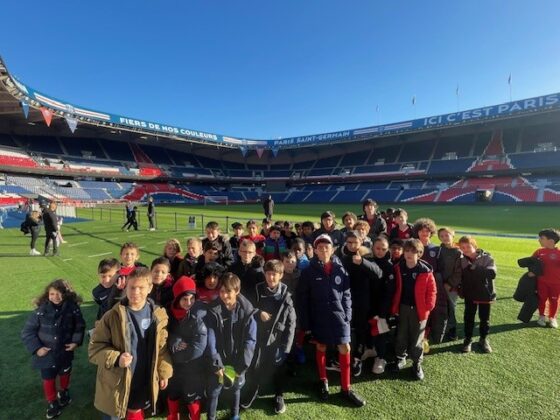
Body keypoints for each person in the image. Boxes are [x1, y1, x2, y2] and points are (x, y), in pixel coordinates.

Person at [89, 267, 173, 419]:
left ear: (150, 288)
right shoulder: (111, 316)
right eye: (132, 287)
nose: (135, 292)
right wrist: (116, 358)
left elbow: (161, 347)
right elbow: (94, 349)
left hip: (144, 379)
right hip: (117, 381)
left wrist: (164, 372)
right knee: (116, 413)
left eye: (141, 288)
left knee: (135, 411)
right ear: (126, 286)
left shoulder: (159, 315)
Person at [298, 234, 366, 406]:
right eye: (320, 247)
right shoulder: (308, 272)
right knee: (321, 346)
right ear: (315, 250)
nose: (324, 249)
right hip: (318, 316)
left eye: (327, 246)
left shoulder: (340, 268)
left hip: (340, 317)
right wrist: (305, 323)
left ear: (332, 249)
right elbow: (302, 299)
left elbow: (347, 294)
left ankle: (346, 388)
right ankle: (323, 381)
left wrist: (347, 315)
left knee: (345, 347)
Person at [21, 279, 86, 419]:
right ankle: (52, 402)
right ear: (47, 294)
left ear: (67, 294)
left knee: (65, 373)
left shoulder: (73, 308)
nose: (56, 297)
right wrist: (37, 348)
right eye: (52, 294)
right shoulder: (40, 312)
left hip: (65, 352)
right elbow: (28, 332)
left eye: (59, 293)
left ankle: (63, 392)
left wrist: (75, 341)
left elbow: (79, 326)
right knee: (48, 379)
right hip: (47, 355)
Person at [241, 260, 296, 414]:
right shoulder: (258, 289)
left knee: (278, 368)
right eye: (268, 274)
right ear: (264, 274)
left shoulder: (286, 295)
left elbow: (291, 324)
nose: (271, 278)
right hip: (258, 337)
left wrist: (285, 348)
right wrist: (259, 312)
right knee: (255, 366)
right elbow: (248, 307)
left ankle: (279, 395)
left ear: (281, 275)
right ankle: (253, 390)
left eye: (275, 274)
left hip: (277, 339)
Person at [205, 273, 257, 420]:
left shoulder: (247, 312)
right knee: (214, 390)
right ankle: (211, 417)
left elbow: (250, 341)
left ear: (237, 291)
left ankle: (234, 415)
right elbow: (210, 338)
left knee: (236, 388)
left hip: (238, 359)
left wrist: (242, 366)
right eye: (221, 291)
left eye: (228, 291)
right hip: (219, 358)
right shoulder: (213, 310)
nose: (224, 295)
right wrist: (216, 364)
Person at [335, 231, 382, 377]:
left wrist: (362, 262)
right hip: (343, 300)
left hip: (361, 300)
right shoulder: (339, 255)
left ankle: (357, 358)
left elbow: (378, 273)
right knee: (345, 328)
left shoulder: (366, 255)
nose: (352, 245)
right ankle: (342, 356)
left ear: (361, 242)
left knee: (361, 328)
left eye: (355, 242)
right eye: (349, 242)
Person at [392, 239, 437, 381]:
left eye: (413, 251)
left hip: (420, 309)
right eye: (407, 251)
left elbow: (432, 291)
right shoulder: (399, 268)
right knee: (401, 334)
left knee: (417, 337)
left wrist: (428, 306)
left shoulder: (425, 271)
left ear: (420, 254)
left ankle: (417, 363)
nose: (409, 254)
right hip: (403, 307)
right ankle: (400, 358)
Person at [166, 276, 208, 420]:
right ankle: (173, 415)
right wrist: (174, 342)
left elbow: (198, 347)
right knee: (173, 391)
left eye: (192, 299)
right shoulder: (167, 313)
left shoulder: (199, 315)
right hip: (172, 364)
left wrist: (177, 355)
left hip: (191, 364)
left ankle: (195, 417)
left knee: (192, 393)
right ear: (177, 299)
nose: (188, 303)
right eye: (184, 299)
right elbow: (163, 334)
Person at [459, 236, 497, 353]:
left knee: (484, 318)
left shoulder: (487, 257)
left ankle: (483, 339)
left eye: (468, 246)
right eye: (463, 247)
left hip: (484, 293)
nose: (466, 249)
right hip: (470, 293)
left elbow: (492, 274)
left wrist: (475, 267)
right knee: (469, 317)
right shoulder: (461, 259)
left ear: (475, 246)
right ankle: (468, 339)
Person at [368, 236, 396, 374]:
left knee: (382, 331)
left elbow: (389, 291)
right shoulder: (368, 261)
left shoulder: (389, 266)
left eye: (383, 249)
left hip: (382, 306)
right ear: (373, 247)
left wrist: (383, 311)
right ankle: (371, 350)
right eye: (377, 248)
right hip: (368, 304)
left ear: (387, 250)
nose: (380, 251)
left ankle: (381, 357)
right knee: (369, 329)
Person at [531, 228, 560, 328]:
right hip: (541, 282)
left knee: (554, 300)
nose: (539, 240)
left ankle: (552, 318)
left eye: (542, 238)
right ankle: (541, 316)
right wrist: (531, 272)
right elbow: (531, 264)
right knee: (542, 299)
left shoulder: (559, 254)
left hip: (556, 283)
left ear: (551, 241)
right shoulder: (539, 252)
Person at [437, 227, 462, 340]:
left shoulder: (457, 252)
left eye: (447, 235)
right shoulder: (438, 250)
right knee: (441, 307)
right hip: (439, 284)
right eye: (441, 236)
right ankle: (441, 328)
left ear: (452, 236)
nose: (444, 238)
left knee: (451, 307)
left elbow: (459, 271)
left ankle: (452, 330)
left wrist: (450, 283)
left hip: (451, 286)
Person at [230, 239, 265, 306]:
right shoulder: (233, 269)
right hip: (236, 303)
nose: (247, 255)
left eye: (250, 252)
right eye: (244, 252)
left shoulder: (258, 270)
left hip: (253, 304)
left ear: (254, 253)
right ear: (239, 252)